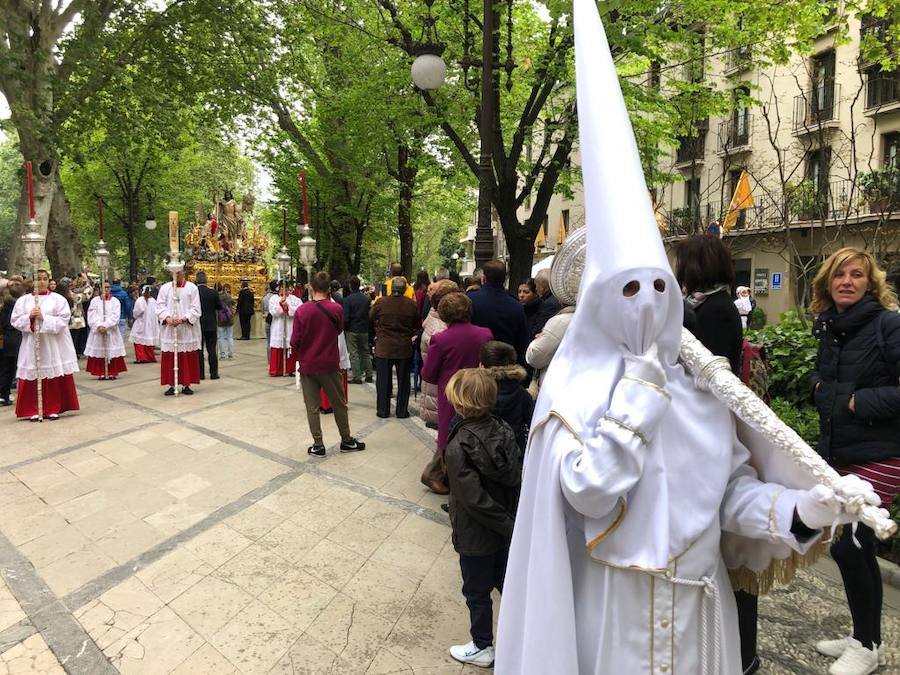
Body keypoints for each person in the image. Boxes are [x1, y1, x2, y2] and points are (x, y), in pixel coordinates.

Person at [495, 3, 881, 673]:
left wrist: (802, 507)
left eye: (659, 288)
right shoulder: (574, 387)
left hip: (700, 616)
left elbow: (727, 493)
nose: (646, 304)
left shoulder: (701, 382)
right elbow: (590, 493)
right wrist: (641, 396)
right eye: (628, 291)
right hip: (613, 612)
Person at [809, 247, 900, 675]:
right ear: (828, 283)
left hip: (883, 455)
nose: (847, 281)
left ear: (870, 283)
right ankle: (864, 634)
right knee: (853, 549)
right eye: (839, 275)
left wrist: (855, 401)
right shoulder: (830, 328)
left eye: (857, 275)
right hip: (843, 452)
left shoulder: (888, 325)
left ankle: (866, 646)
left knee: (850, 544)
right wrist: (819, 391)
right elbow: (823, 380)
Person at [675, 234, 757, 673]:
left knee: (730, 553)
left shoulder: (715, 310)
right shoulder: (709, 305)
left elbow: (703, 372)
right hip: (706, 424)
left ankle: (743, 655)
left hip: (711, 426)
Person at [444, 367, 522, 668]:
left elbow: (473, 499)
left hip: (477, 534)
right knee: (508, 583)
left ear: (459, 403)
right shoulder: (503, 427)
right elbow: (514, 474)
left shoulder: (459, 444)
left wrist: (506, 524)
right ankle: (524, 635)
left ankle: (481, 645)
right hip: (504, 530)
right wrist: (511, 525)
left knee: (476, 591)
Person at [291, 272, 366, 457]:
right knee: (339, 404)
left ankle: (318, 444)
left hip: (308, 364)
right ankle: (346, 440)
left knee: (312, 407)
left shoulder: (302, 311)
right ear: (329, 289)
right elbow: (339, 329)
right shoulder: (336, 309)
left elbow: (294, 341)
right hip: (330, 364)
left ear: (311, 287)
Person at [421, 293, 493, 484]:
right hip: (477, 391)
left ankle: (447, 477)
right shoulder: (485, 334)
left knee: (448, 434)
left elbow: (428, 374)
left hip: (450, 394)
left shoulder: (440, 339)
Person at [10, 270, 80, 420]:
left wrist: (44, 318)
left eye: (44, 279)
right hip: (31, 344)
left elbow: (63, 320)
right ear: (33, 282)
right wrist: (29, 317)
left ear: (49, 281)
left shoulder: (58, 299)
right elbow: (15, 320)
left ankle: (52, 407)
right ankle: (32, 409)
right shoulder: (24, 301)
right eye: (38, 279)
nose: (41, 282)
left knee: (51, 374)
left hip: (51, 344)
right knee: (33, 374)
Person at [677, 234, 744, 374]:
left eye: (683, 262)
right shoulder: (702, 302)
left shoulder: (717, 310)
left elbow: (704, 368)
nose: (680, 269)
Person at [370, 276, 419, 418]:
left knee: (383, 380)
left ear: (392, 288)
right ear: (405, 289)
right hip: (403, 346)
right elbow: (417, 324)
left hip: (384, 346)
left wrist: (377, 330)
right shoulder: (411, 305)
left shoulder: (381, 302)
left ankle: (383, 410)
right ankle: (402, 411)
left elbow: (371, 317)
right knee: (404, 381)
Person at [468, 260, 528, 364]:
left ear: (483, 279)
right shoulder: (516, 305)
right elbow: (522, 342)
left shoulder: (470, 301)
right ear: (505, 279)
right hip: (505, 364)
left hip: (476, 364)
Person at [480, 341, 534, 453]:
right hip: (513, 453)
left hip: (480, 452)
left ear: (482, 366)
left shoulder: (477, 391)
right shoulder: (521, 394)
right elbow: (533, 421)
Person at [156, 269, 202, 396]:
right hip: (170, 329)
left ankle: (187, 384)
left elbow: (196, 308)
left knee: (187, 357)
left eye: (180, 273)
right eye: (175, 273)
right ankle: (171, 384)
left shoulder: (192, 288)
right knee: (170, 357)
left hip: (186, 329)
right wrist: (167, 318)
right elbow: (159, 306)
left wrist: (183, 319)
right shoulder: (165, 288)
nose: (177, 275)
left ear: (184, 274)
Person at [85, 281, 128, 380]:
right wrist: (98, 325)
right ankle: (101, 371)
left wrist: (106, 325)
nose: (106, 289)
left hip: (111, 331)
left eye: (108, 287)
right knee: (99, 352)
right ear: (100, 288)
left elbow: (115, 316)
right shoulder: (95, 301)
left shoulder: (115, 301)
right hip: (98, 331)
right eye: (104, 287)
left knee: (111, 351)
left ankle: (112, 371)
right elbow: (91, 314)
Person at [343, 276, 373, 384]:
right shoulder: (366, 299)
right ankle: (369, 374)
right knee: (365, 352)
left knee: (354, 353)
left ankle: (357, 376)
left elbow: (345, 317)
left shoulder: (347, 300)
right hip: (364, 329)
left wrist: (344, 328)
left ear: (351, 286)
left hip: (352, 329)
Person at [269, 281, 302, 377]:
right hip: (278, 326)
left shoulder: (295, 299)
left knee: (290, 348)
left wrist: (288, 307)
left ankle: (290, 369)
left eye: (287, 289)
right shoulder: (274, 298)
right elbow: (273, 312)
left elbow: (299, 311)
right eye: (282, 288)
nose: (285, 291)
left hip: (290, 325)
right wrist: (281, 305)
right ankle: (276, 370)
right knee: (277, 348)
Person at [195, 271, 222, 380]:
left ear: (196, 280)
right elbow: (219, 306)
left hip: (198, 324)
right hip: (211, 324)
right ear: (206, 280)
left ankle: (200, 374)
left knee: (199, 350)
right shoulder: (213, 292)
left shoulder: (194, 292)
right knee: (212, 350)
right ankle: (214, 373)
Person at [0, 281, 23, 406]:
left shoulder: (5, 306)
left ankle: (4, 394)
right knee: (10, 368)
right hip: (12, 339)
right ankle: (4, 394)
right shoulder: (13, 307)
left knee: (6, 368)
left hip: (6, 339)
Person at [130, 285, 159, 363]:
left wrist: (134, 316)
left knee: (139, 341)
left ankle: (142, 357)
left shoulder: (140, 300)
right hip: (149, 324)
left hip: (141, 323)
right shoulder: (153, 301)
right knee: (148, 342)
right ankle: (149, 357)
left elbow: (137, 312)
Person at [530, 268, 561, 336]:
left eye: (536, 285)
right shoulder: (557, 298)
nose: (536, 289)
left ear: (542, 287)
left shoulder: (549, 304)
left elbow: (538, 329)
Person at [217, 283, 235, 360]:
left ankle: (222, 355)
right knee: (230, 337)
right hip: (229, 319)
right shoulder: (228, 296)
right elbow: (233, 303)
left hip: (220, 319)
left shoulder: (216, 297)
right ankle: (230, 354)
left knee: (221, 338)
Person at [261, 280, 277, 361]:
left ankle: (269, 360)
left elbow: (263, 310)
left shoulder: (265, 297)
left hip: (268, 319)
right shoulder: (279, 297)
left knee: (269, 341)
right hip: (276, 320)